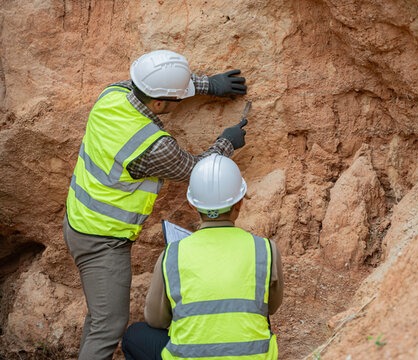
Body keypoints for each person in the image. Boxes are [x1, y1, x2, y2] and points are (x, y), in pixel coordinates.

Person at [63, 49, 250, 360]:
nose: (178, 101)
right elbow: (196, 170)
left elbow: (156, 83)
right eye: (175, 98)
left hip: (79, 219)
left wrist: (208, 85)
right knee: (110, 327)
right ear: (160, 104)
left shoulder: (114, 94)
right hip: (102, 240)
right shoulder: (153, 146)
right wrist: (226, 143)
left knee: (100, 319)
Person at [121, 154, 284, 360]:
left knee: (134, 336)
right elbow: (271, 306)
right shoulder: (266, 249)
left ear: (193, 205)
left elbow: (156, 320)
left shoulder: (171, 255)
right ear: (240, 202)